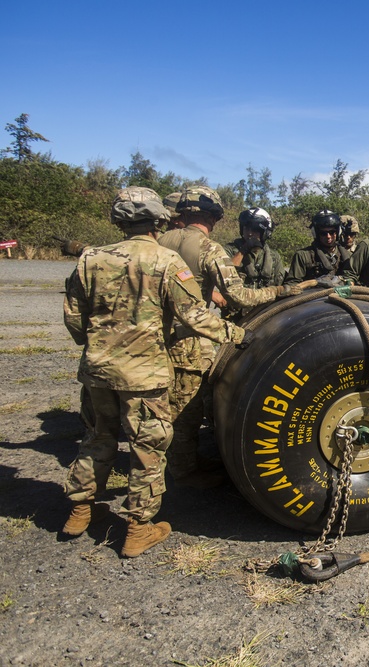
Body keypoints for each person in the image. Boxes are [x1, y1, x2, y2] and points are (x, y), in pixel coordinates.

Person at [62, 186, 248, 558]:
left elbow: (73, 317)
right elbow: (193, 316)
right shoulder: (166, 262)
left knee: (97, 438)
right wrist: (238, 334)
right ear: (159, 219)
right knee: (148, 447)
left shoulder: (90, 258)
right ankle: (137, 529)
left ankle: (80, 511)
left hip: (97, 370)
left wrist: (100, 345)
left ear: (117, 219)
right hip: (144, 376)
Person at [158, 186, 309, 488]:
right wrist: (279, 293)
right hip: (190, 336)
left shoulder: (161, 241)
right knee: (187, 408)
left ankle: (178, 460)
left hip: (159, 334)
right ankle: (183, 470)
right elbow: (236, 295)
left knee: (166, 402)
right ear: (214, 217)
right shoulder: (210, 248)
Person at [223, 207, 284, 289]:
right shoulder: (229, 250)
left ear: (265, 233)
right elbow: (225, 275)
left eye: (255, 230)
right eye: (246, 229)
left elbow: (280, 285)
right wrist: (243, 250)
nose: (250, 233)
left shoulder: (274, 257)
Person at [285, 210, 344, 284]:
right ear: (316, 234)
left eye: (332, 232)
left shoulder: (347, 256)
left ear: (338, 232)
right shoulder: (303, 256)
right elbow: (292, 284)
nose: (328, 236)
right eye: (323, 233)